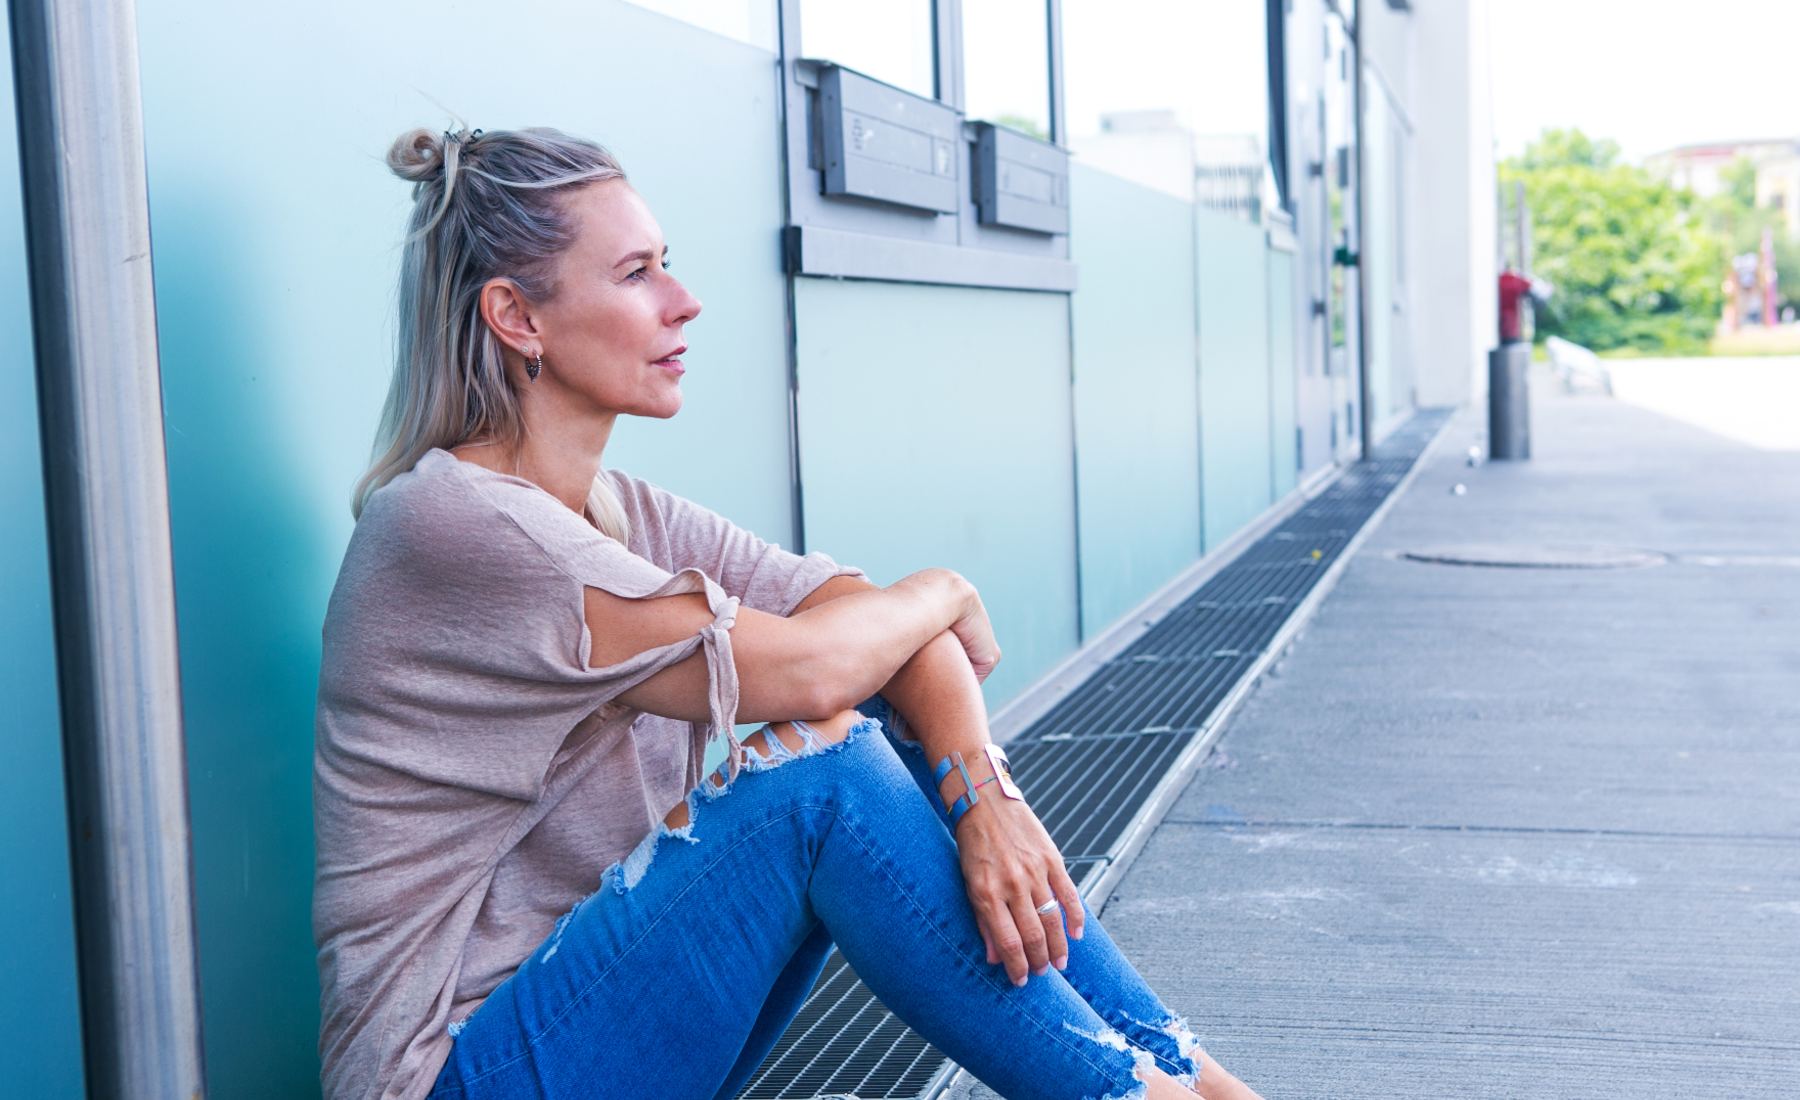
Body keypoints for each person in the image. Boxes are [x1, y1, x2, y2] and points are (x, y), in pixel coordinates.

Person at [311, 125, 1265, 1100]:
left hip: (580, 1029)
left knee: (872, 724)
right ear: (517, 316)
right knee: (822, 772)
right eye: (637, 273)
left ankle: (1198, 1080)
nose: (685, 301)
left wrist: (988, 797)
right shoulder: (453, 524)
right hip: (457, 1075)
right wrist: (940, 584)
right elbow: (818, 673)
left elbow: (879, 643)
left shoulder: (617, 512)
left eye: (668, 265)